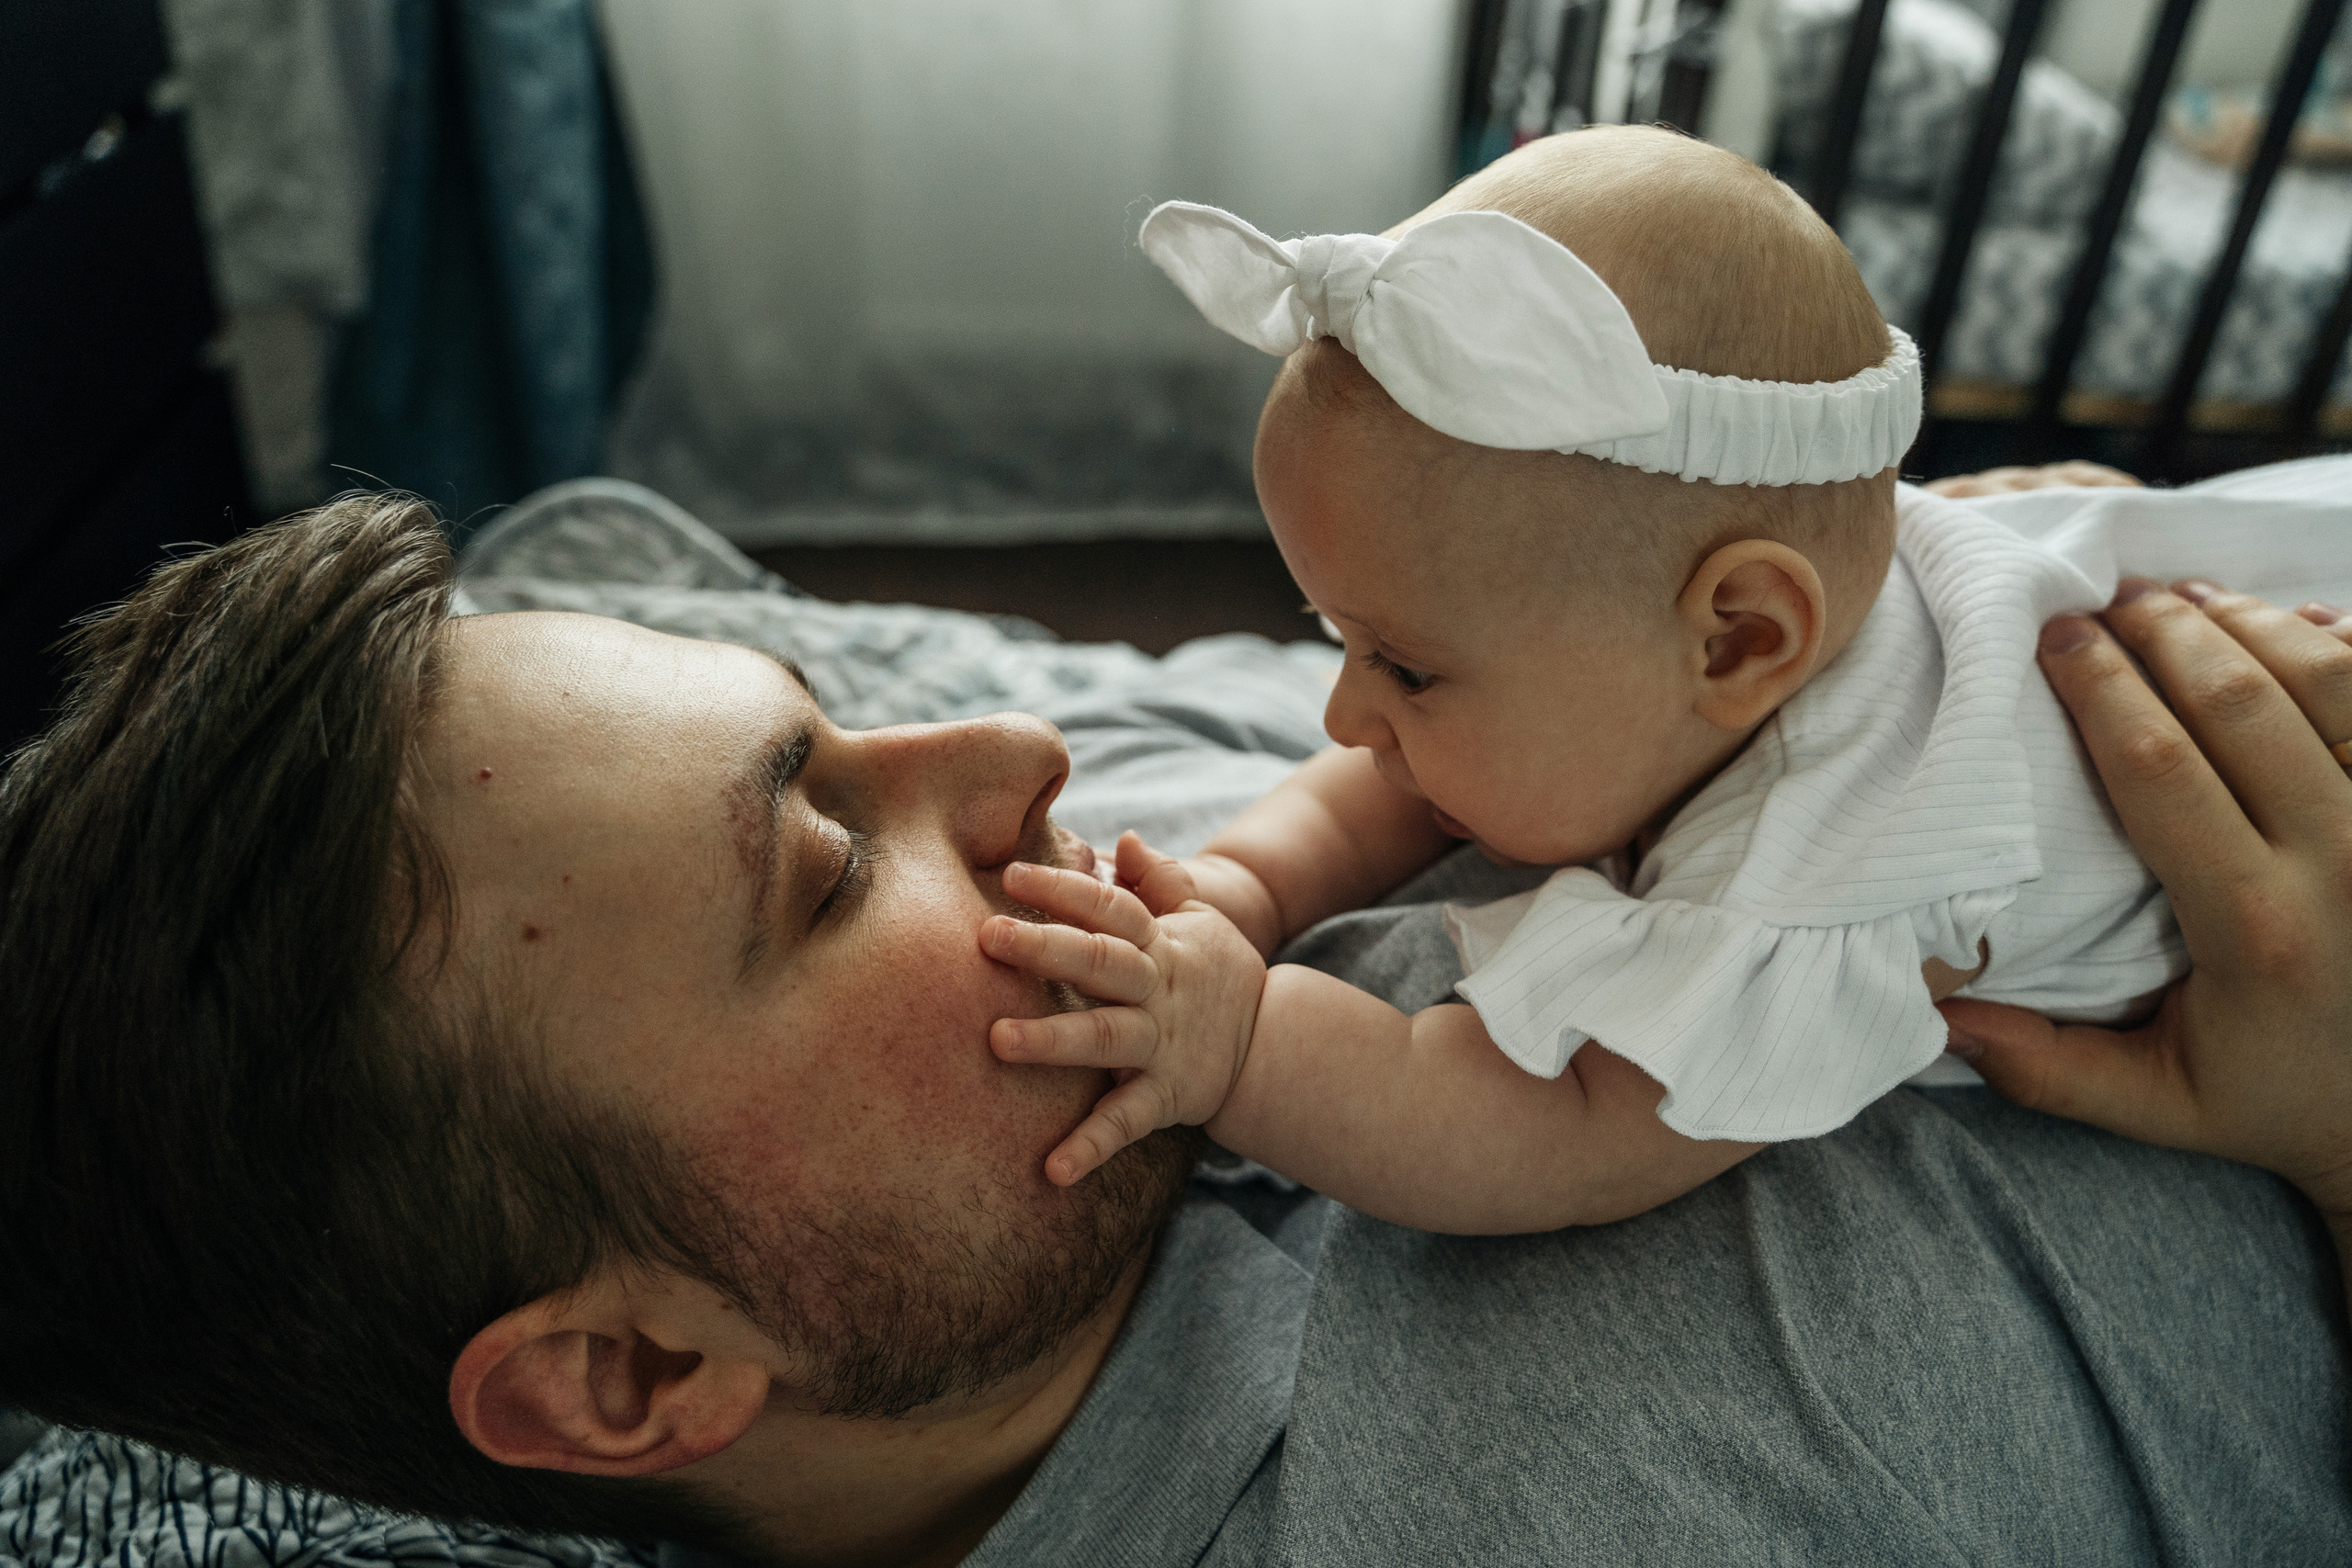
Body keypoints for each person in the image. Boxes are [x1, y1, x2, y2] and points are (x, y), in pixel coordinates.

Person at [1, 465, 2346, 1566]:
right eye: (823, 864)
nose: (1012, 769)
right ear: (634, 1371)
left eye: (834, 719)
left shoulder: (1100, 961)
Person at [972, 128, 2210, 1233]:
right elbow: (1423, 772)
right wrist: (1250, 882)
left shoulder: (1818, 878)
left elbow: (1550, 1128)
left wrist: (1238, 1043)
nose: (1349, 713)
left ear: (1737, 641)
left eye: (1401, 664)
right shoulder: (1682, 639)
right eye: (1338, 639)